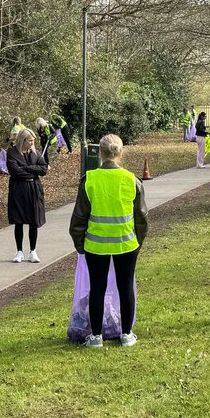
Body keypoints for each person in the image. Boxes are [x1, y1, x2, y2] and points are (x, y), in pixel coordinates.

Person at [69, 133, 148, 347]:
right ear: (120, 153)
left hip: (96, 244)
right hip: (126, 243)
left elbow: (78, 218)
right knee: (125, 288)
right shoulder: (131, 180)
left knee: (97, 288)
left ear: (100, 154)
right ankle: (127, 334)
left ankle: (95, 336)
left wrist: (80, 244)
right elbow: (141, 217)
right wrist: (138, 242)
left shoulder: (90, 180)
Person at [7, 128, 48, 263]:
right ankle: (19, 251)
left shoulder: (35, 153)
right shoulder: (12, 152)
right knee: (18, 221)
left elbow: (43, 169)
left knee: (33, 221)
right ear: (23, 140)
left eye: (33, 141)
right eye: (30, 140)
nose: (32, 143)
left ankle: (33, 251)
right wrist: (33, 170)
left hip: (34, 189)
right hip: (19, 190)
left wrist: (27, 168)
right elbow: (15, 171)